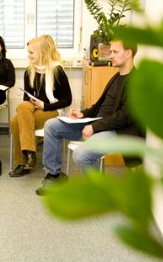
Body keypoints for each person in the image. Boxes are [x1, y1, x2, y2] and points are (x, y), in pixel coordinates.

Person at [36, 39, 144, 195]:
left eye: (115, 52)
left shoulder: (137, 81)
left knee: (81, 155)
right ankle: (54, 175)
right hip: (97, 124)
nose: (110, 56)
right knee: (52, 125)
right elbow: (100, 107)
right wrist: (83, 114)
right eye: (111, 52)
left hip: (116, 131)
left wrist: (94, 127)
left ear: (128, 53)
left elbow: (125, 117)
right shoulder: (116, 76)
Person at [9, 36, 72, 177]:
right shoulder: (29, 71)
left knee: (15, 122)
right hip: (33, 109)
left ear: (42, 53)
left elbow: (67, 100)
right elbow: (26, 98)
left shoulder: (57, 71)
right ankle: (29, 154)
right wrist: (33, 102)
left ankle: (23, 161)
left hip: (53, 109)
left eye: (31, 53)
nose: (28, 55)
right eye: (28, 52)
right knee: (22, 106)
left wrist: (44, 105)